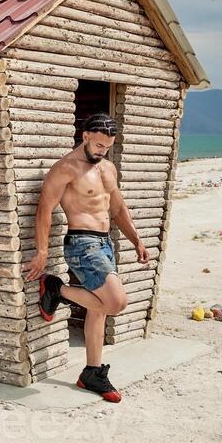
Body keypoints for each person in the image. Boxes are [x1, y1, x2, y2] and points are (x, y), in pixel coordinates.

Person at [23, 112, 150, 403]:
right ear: (85, 137)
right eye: (97, 145)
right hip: (82, 243)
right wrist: (42, 252)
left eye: (106, 147)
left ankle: (92, 372)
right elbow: (44, 208)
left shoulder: (108, 169)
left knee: (100, 308)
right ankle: (57, 289)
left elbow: (117, 209)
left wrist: (137, 240)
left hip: (105, 244)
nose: (101, 151)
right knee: (116, 302)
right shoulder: (66, 168)